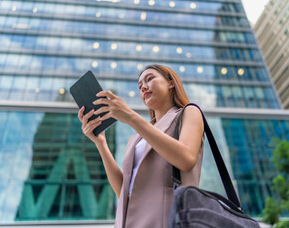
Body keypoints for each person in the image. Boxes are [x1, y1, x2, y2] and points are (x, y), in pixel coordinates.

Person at [78, 64, 204, 228]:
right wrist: (100, 143)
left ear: (171, 83)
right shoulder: (136, 139)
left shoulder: (188, 112)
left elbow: (186, 159)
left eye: (150, 78)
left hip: (168, 220)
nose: (143, 86)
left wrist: (130, 117)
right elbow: (123, 191)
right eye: (139, 86)